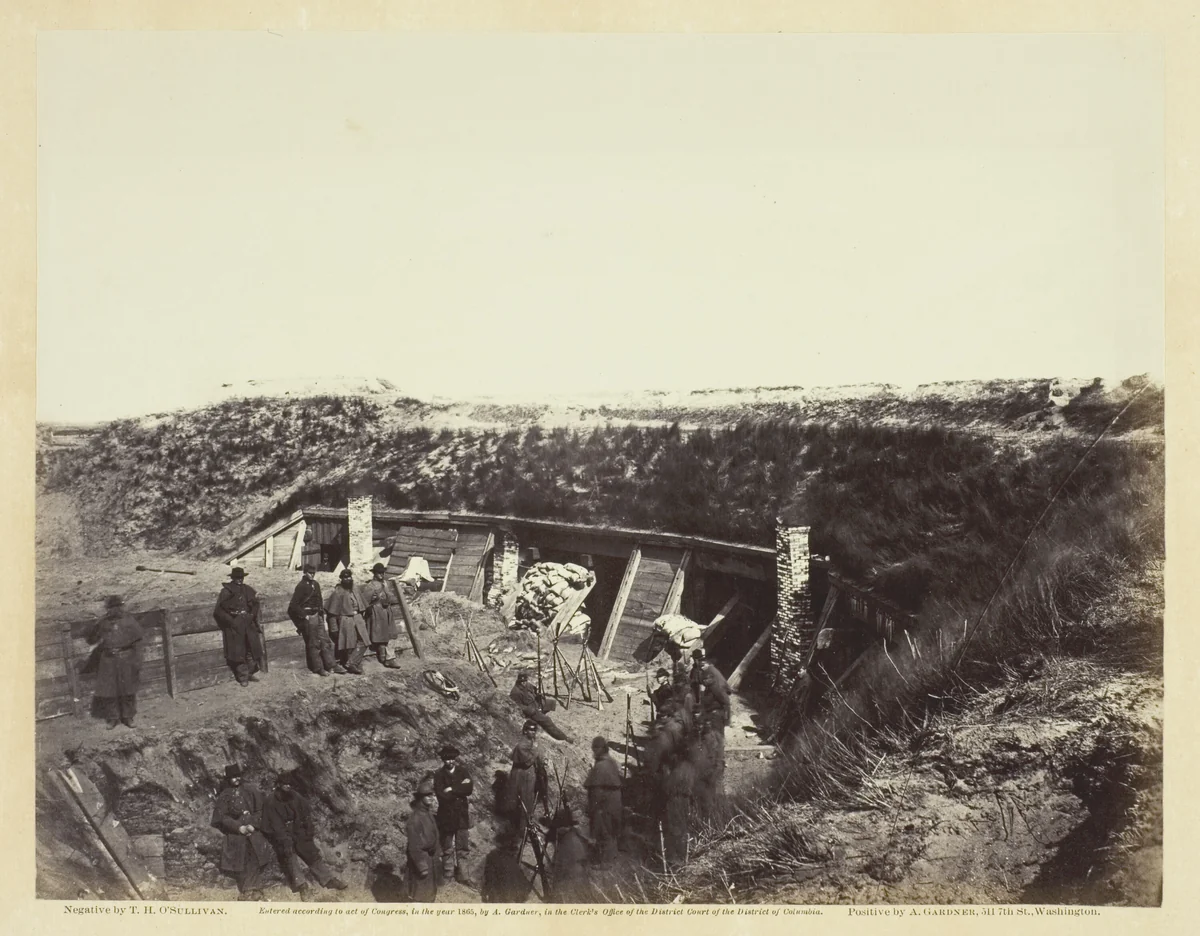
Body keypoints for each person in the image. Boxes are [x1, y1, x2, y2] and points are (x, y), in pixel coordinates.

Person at [261, 776, 348, 897]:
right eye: (285, 784)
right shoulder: (271, 801)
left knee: (311, 852)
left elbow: (306, 814)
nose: (288, 786)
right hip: (281, 835)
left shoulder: (295, 796)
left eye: (290, 784)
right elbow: (275, 825)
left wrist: (308, 831)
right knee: (289, 855)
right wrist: (284, 839)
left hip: (298, 831)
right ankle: (302, 886)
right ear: (279, 785)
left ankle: (328, 879)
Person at [210, 764, 273, 899]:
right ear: (228, 779)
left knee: (256, 849)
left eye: (238, 776)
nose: (236, 779)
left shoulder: (250, 790)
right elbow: (222, 817)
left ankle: (253, 889)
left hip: (252, 828)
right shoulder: (225, 795)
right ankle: (249, 889)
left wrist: (253, 825)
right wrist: (238, 827)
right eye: (233, 777)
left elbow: (260, 810)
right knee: (240, 853)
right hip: (236, 832)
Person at [87, 595, 143, 728]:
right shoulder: (103, 622)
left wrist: (137, 661)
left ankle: (128, 717)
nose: (114, 610)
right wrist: (96, 627)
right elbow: (91, 639)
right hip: (108, 659)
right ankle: (113, 718)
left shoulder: (129, 621)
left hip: (126, 658)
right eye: (111, 608)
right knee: (109, 691)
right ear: (107, 609)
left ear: (121, 607)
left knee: (128, 690)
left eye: (117, 607)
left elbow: (138, 641)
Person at [288, 565, 343, 676]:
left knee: (325, 641)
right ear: (305, 573)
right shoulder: (301, 586)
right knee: (314, 644)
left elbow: (319, 600)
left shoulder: (316, 584)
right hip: (309, 616)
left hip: (318, 615)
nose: (312, 574)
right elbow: (293, 605)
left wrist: (321, 613)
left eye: (313, 572)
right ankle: (318, 668)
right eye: (310, 573)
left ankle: (331, 665)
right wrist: (305, 616)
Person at [213, 567, 264, 687]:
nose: (240, 580)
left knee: (252, 649)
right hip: (235, 626)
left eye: (241, 577)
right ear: (232, 578)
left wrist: (251, 615)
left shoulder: (247, 589)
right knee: (239, 652)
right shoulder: (226, 591)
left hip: (248, 623)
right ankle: (243, 677)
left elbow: (255, 604)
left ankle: (250, 672)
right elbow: (218, 611)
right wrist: (232, 622)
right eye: (237, 578)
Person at [433, 745, 474, 886]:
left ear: (455, 758)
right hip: (446, 816)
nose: (450, 761)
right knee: (447, 847)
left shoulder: (463, 771)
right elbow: (441, 795)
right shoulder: (438, 775)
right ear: (443, 760)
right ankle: (448, 873)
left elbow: (469, 789)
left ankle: (464, 876)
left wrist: (452, 789)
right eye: (446, 759)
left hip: (461, 816)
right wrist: (459, 790)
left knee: (462, 847)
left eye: (452, 758)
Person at [583, 736, 622, 868]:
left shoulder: (601, 766)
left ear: (600, 749)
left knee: (604, 831)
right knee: (610, 831)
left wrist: (592, 809)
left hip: (605, 805)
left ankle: (606, 862)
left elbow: (596, 793)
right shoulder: (611, 762)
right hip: (614, 802)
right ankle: (611, 857)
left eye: (595, 749)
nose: (593, 752)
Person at [503, 720, 551, 827]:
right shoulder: (521, 746)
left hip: (529, 775)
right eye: (531, 730)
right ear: (525, 731)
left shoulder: (532, 744)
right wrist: (536, 750)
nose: (533, 732)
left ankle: (525, 826)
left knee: (528, 800)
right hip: (521, 775)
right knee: (522, 801)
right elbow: (527, 761)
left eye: (535, 730)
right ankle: (521, 829)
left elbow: (538, 760)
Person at [324, 569, 370, 675]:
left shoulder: (355, 589)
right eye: (345, 577)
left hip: (358, 617)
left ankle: (351, 663)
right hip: (346, 619)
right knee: (349, 643)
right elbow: (332, 614)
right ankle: (351, 664)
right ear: (341, 579)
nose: (348, 579)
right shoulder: (338, 592)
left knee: (364, 640)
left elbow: (363, 604)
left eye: (349, 577)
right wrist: (334, 628)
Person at [545, 806, 591, 903]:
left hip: (571, 885)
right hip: (581, 880)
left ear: (562, 827)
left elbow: (560, 869)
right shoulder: (575, 835)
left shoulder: (567, 841)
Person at [405, 777, 440, 902]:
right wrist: (422, 866)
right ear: (420, 798)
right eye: (427, 795)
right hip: (421, 862)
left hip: (430, 860)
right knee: (420, 897)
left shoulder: (428, 814)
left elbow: (435, 836)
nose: (431, 797)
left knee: (429, 895)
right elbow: (414, 846)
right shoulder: (415, 818)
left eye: (432, 795)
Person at [509, 672, 571, 742]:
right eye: (521, 681)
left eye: (525, 681)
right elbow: (517, 705)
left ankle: (541, 715)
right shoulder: (515, 692)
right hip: (530, 710)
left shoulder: (527, 685)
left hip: (535, 703)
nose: (524, 683)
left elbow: (534, 690)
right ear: (518, 681)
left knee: (551, 703)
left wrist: (538, 695)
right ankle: (563, 737)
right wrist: (530, 710)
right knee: (547, 720)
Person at [361, 563, 402, 669]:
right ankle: (386, 658)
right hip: (377, 613)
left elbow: (390, 597)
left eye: (382, 573)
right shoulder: (370, 586)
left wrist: (389, 597)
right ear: (374, 573)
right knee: (381, 635)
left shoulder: (385, 584)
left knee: (390, 634)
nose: (381, 575)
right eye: (379, 573)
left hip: (386, 612)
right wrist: (373, 600)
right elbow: (364, 602)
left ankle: (388, 658)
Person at [662, 750, 696, 868]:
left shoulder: (677, 772)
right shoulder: (690, 768)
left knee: (675, 828)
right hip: (686, 800)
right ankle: (683, 854)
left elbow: (667, 788)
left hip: (676, 800)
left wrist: (666, 775)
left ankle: (676, 858)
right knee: (683, 827)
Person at [480, 824, 528, 904]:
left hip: (501, 897)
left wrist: (485, 892)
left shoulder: (492, 856)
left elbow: (490, 878)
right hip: (515, 896)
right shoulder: (513, 859)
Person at [696, 658, 731, 728]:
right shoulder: (711, 669)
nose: (701, 668)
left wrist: (727, 720)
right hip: (720, 688)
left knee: (725, 703)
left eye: (703, 665)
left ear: (707, 664)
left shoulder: (709, 671)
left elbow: (706, 682)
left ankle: (727, 722)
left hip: (719, 689)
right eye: (700, 666)